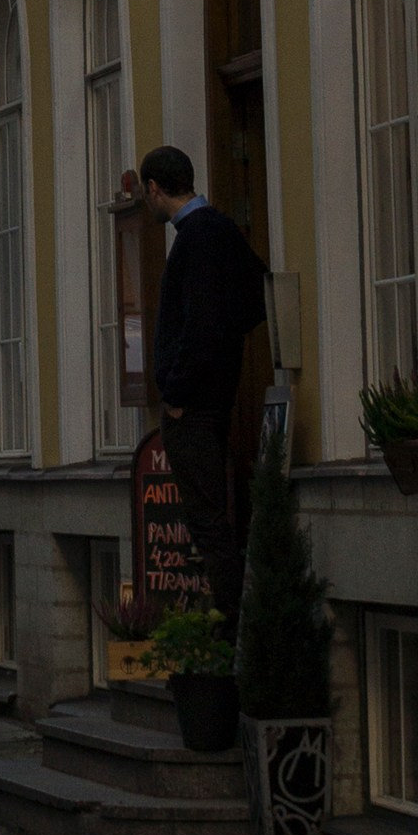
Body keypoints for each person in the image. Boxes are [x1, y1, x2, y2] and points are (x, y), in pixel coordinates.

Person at [140, 145, 266, 625]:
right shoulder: (218, 230)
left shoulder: (198, 236)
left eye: (147, 194)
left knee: (208, 520)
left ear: (154, 189)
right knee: (212, 517)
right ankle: (234, 622)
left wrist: (178, 393)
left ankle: (234, 625)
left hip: (195, 406)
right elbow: (255, 297)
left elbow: (200, 322)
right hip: (212, 397)